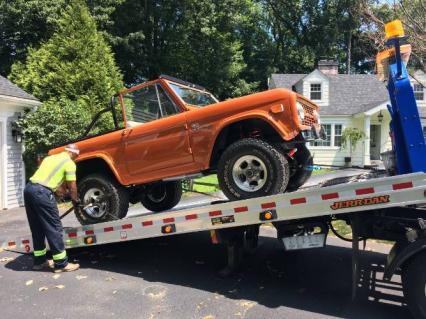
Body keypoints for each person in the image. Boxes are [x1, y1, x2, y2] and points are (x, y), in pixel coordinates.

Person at [24, 144, 81, 273]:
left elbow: (50, 180)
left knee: (37, 227)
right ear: (75, 154)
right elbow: (72, 187)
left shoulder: (50, 158)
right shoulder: (70, 163)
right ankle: (61, 264)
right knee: (54, 227)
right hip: (42, 192)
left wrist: (57, 192)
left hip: (29, 189)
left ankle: (39, 262)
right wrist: (75, 200)